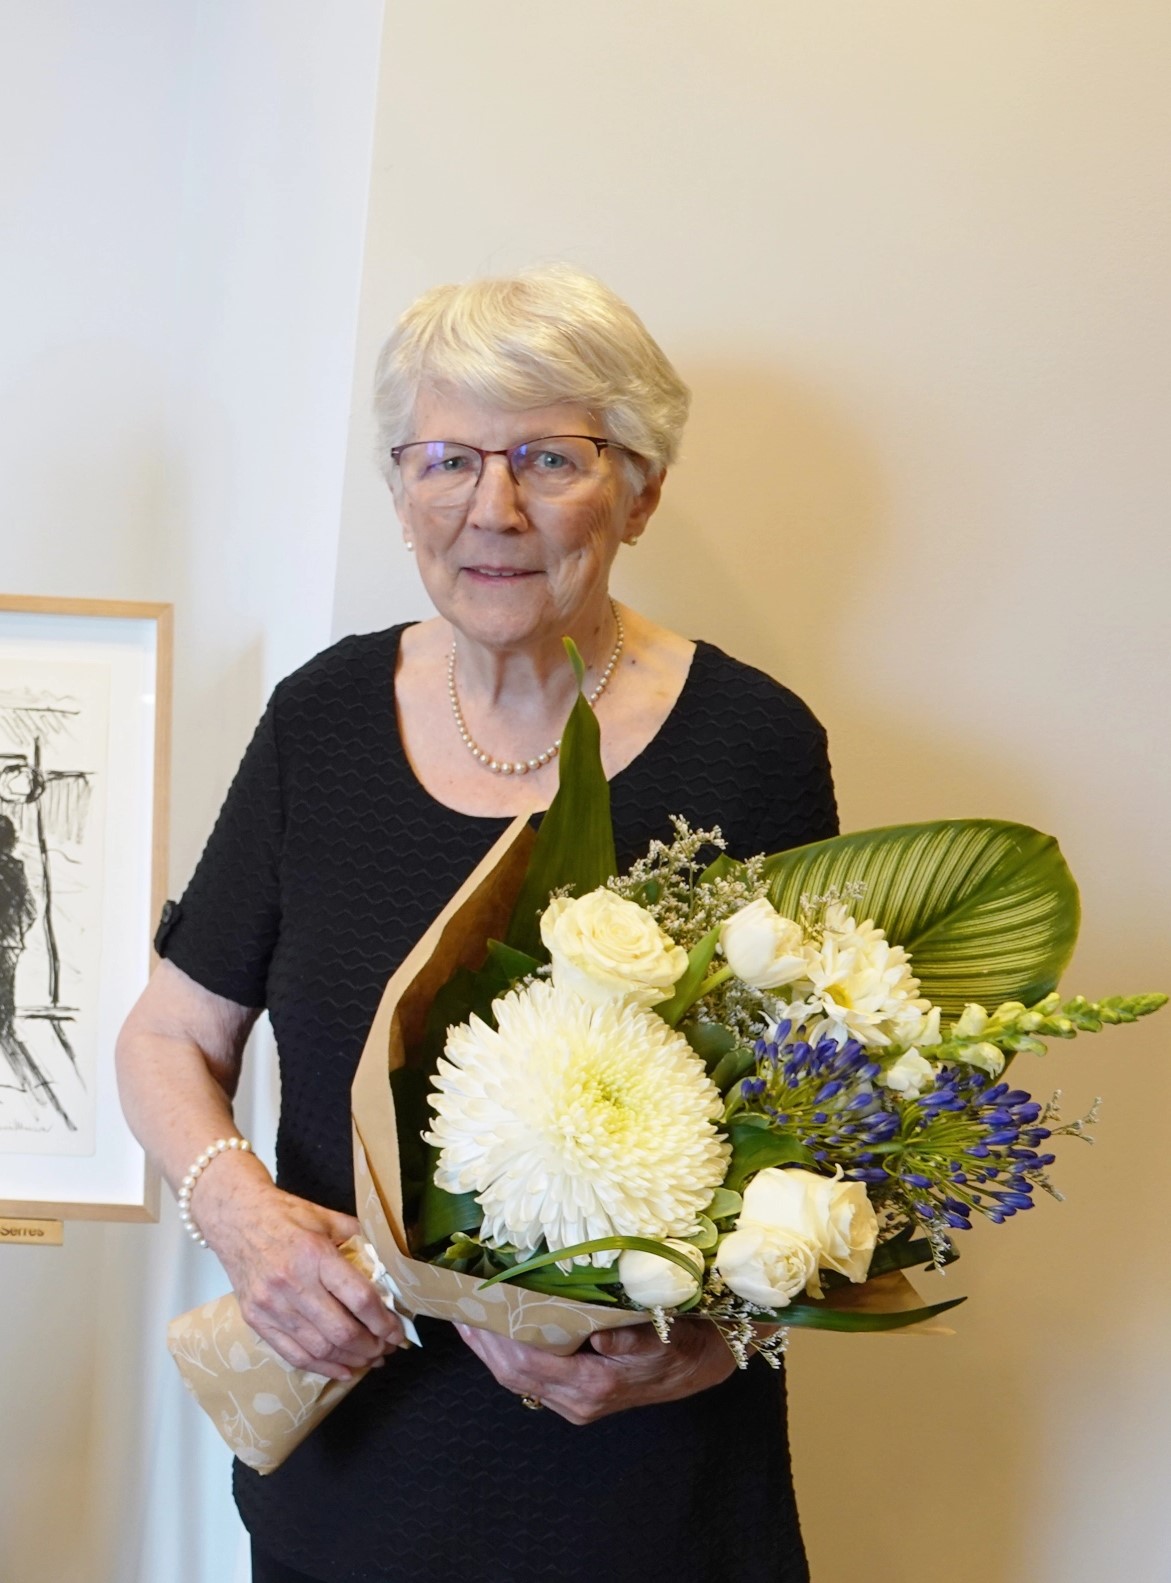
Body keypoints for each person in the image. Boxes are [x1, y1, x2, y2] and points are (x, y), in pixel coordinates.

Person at [117, 266, 838, 1583]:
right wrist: (246, 1220)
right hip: (351, 1497)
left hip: (652, 1512)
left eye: (549, 459)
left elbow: (836, 1124)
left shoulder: (755, 748)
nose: (491, 508)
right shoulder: (320, 724)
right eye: (446, 459)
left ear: (641, 488)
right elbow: (167, 1035)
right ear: (401, 492)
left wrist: (718, 1338)